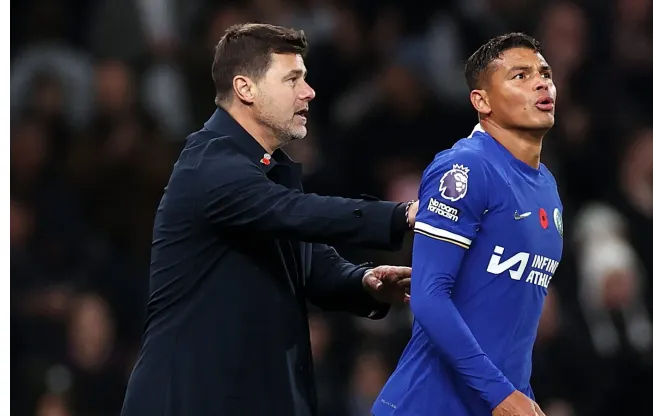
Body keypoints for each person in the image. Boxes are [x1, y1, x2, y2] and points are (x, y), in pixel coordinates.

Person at [121, 23, 419, 416]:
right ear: (246, 89)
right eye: (292, 79)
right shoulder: (209, 164)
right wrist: (401, 215)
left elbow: (310, 262)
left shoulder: (268, 170)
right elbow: (296, 213)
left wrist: (364, 283)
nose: (308, 91)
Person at [372, 32, 563, 416]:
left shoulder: (546, 185)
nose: (541, 82)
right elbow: (428, 296)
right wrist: (502, 396)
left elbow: (513, 326)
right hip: (425, 404)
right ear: (482, 101)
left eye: (544, 72)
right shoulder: (465, 168)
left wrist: (521, 394)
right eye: (520, 76)